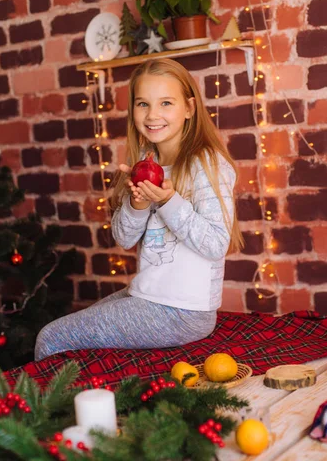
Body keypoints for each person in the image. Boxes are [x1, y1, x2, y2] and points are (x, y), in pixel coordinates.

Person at [35, 57, 242, 361]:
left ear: (189, 108)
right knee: (75, 337)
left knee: (51, 338)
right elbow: (125, 238)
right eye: (143, 104)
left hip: (182, 311)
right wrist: (138, 203)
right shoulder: (147, 163)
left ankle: (45, 409)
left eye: (166, 103)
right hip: (147, 296)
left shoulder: (206, 163)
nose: (153, 114)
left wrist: (169, 201)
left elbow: (215, 244)